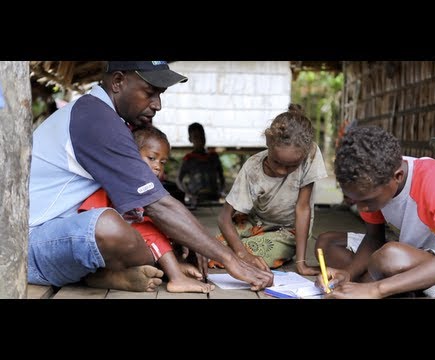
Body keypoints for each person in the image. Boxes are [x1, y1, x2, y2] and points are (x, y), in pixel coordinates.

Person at [28, 61, 273, 292]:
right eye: (149, 92)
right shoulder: (96, 119)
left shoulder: (103, 115)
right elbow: (157, 205)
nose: (157, 104)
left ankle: (111, 274)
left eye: (160, 94)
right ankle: (113, 274)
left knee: (147, 226)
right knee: (107, 227)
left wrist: (191, 239)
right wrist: (230, 259)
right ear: (117, 82)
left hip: (56, 236)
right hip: (29, 246)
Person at [315, 126, 435, 298]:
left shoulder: (433, 179)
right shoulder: (371, 180)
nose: (362, 208)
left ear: (398, 176)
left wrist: (376, 289)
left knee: (390, 256)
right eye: (354, 200)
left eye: (367, 200)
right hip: (414, 253)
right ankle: (379, 285)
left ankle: (378, 286)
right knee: (327, 243)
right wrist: (348, 274)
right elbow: (374, 238)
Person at [78, 126, 214, 293]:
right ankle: (176, 277)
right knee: (150, 229)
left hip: (128, 250)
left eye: (162, 162)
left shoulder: (148, 190)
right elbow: (88, 219)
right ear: (131, 156)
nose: (157, 167)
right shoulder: (112, 183)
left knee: (164, 228)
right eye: (152, 158)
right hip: (101, 250)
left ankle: (170, 268)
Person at [212, 104, 328, 275]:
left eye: (291, 166)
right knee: (210, 247)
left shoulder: (310, 153)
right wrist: (241, 253)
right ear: (268, 141)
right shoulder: (252, 169)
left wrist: (301, 263)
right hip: (255, 221)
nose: (282, 171)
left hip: (289, 229)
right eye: (276, 162)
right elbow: (224, 218)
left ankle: (253, 250)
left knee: (261, 253)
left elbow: (303, 208)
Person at [176, 122, 225, 209]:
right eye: (196, 137)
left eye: (202, 136)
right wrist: (187, 193)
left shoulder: (213, 157)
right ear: (190, 139)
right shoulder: (188, 159)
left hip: (214, 197)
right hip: (196, 199)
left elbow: (222, 177)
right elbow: (178, 180)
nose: (200, 140)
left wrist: (221, 191)